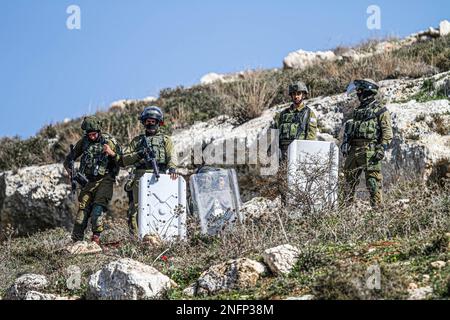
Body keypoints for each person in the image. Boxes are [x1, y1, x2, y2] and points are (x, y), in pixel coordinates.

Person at [113, 106, 178, 236]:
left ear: (159, 122)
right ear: (144, 122)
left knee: (162, 205)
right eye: (148, 121)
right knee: (138, 207)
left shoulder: (166, 140)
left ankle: (163, 235)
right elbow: (124, 160)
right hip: (140, 175)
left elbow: (172, 155)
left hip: (161, 175)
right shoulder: (137, 141)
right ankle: (139, 238)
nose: (150, 124)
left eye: (153, 121)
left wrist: (172, 168)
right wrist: (139, 154)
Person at [63, 116, 121, 244]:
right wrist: (70, 172)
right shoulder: (84, 142)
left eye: (94, 134)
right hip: (87, 182)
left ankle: (96, 240)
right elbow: (68, 161)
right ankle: (76, 242)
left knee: (97, 212)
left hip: (105, 180)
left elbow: (122, 160)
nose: (92, 137)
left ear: (99, 131)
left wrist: (111, 153)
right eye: (89, 135)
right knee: (81, 214)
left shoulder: (109, 141)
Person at [341, 79, 393, 207]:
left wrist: (381, 148)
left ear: (368, 92)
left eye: (360, 91)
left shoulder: (380, 110)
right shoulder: (357, 111)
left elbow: (387, 133)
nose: (358, 94)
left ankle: (377, 212)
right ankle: (346, 210)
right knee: (348, 182)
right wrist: (345, 142)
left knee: (373, 183)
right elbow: (350, 129)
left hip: (370, 151)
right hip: (353, 151)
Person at [271, 81, 318, 160]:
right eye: (294, 94)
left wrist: (305, 155)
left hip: (299, 154)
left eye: (298, 93)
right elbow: (275, 135)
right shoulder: (282, 114)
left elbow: (311, 138)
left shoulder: (309, 114)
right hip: (282, 155)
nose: (296, 96)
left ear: (303, 94)